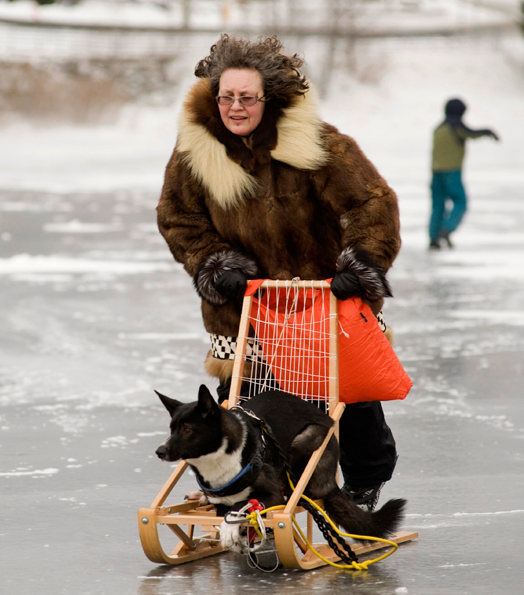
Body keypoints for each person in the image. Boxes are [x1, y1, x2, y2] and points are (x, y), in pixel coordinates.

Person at [156, 35, 401, 511]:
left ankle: (365, 483)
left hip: (323, 300)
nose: (236, 106)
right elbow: (177, 218)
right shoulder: (195, 152)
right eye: (227, 96)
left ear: (268, 97)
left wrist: (360, 265)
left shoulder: (319, 143)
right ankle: (248, 486)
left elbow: (373, 203)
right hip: (244, 307)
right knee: (242, 405)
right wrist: (213, 263)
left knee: (346, 403)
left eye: (247, 97)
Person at [429, 98, 498, 249]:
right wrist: (487, 132)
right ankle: (446, 229)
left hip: (435, 172)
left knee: (438, 205)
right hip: (452, 172)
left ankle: (433, 237)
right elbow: (471, 133)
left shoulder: (438, 128)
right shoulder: (456, 126)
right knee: (460, 201)